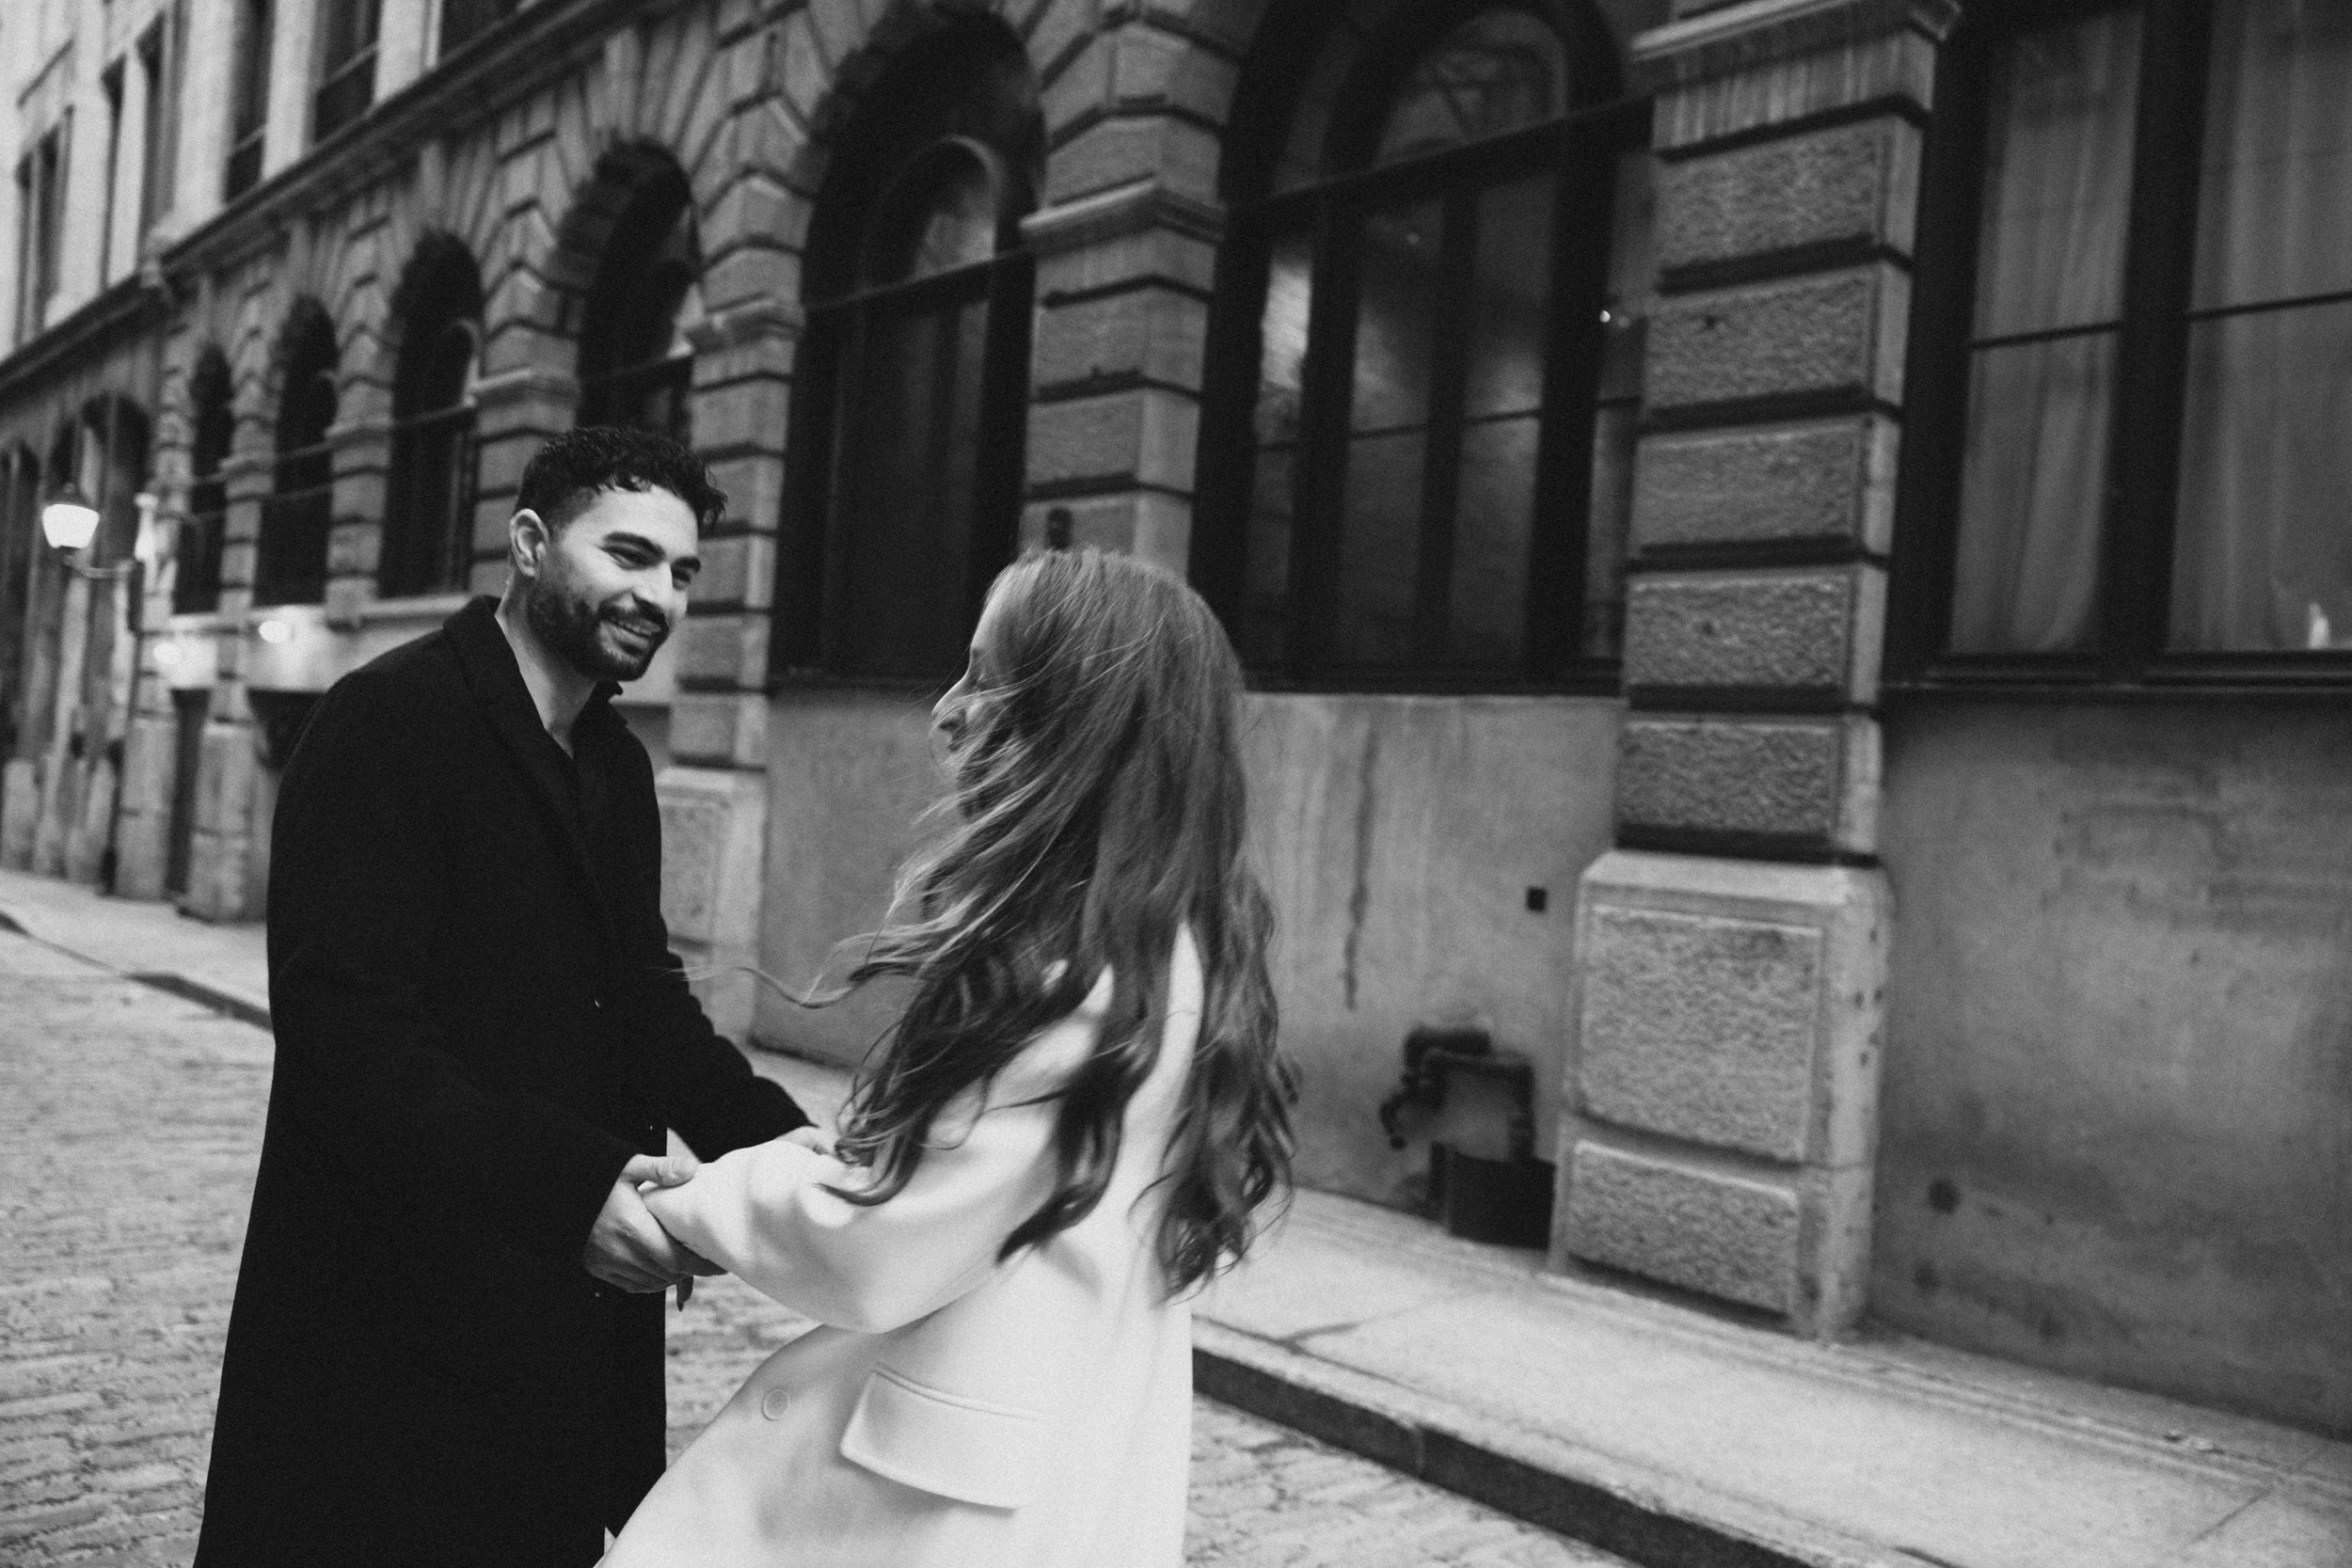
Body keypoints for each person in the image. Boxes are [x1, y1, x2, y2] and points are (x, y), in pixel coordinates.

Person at [603, 546, 1296, 1568]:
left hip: (934, 1508)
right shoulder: (1155, 946)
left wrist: (685, 1205)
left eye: (985, 674)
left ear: (1070, 718)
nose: (949, 710)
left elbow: (877, 1237)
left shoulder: (1083, 980)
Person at [194, 427, 811, 1568]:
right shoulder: (388, 718)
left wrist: (802, 1156)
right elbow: (350, 1033)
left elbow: (644, 1001)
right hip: (388, 1307)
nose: (658, 595)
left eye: (681, 573)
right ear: (529, 543)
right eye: (626, 553)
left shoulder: (618, 765)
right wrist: (569, 1188)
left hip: (558, 1327)